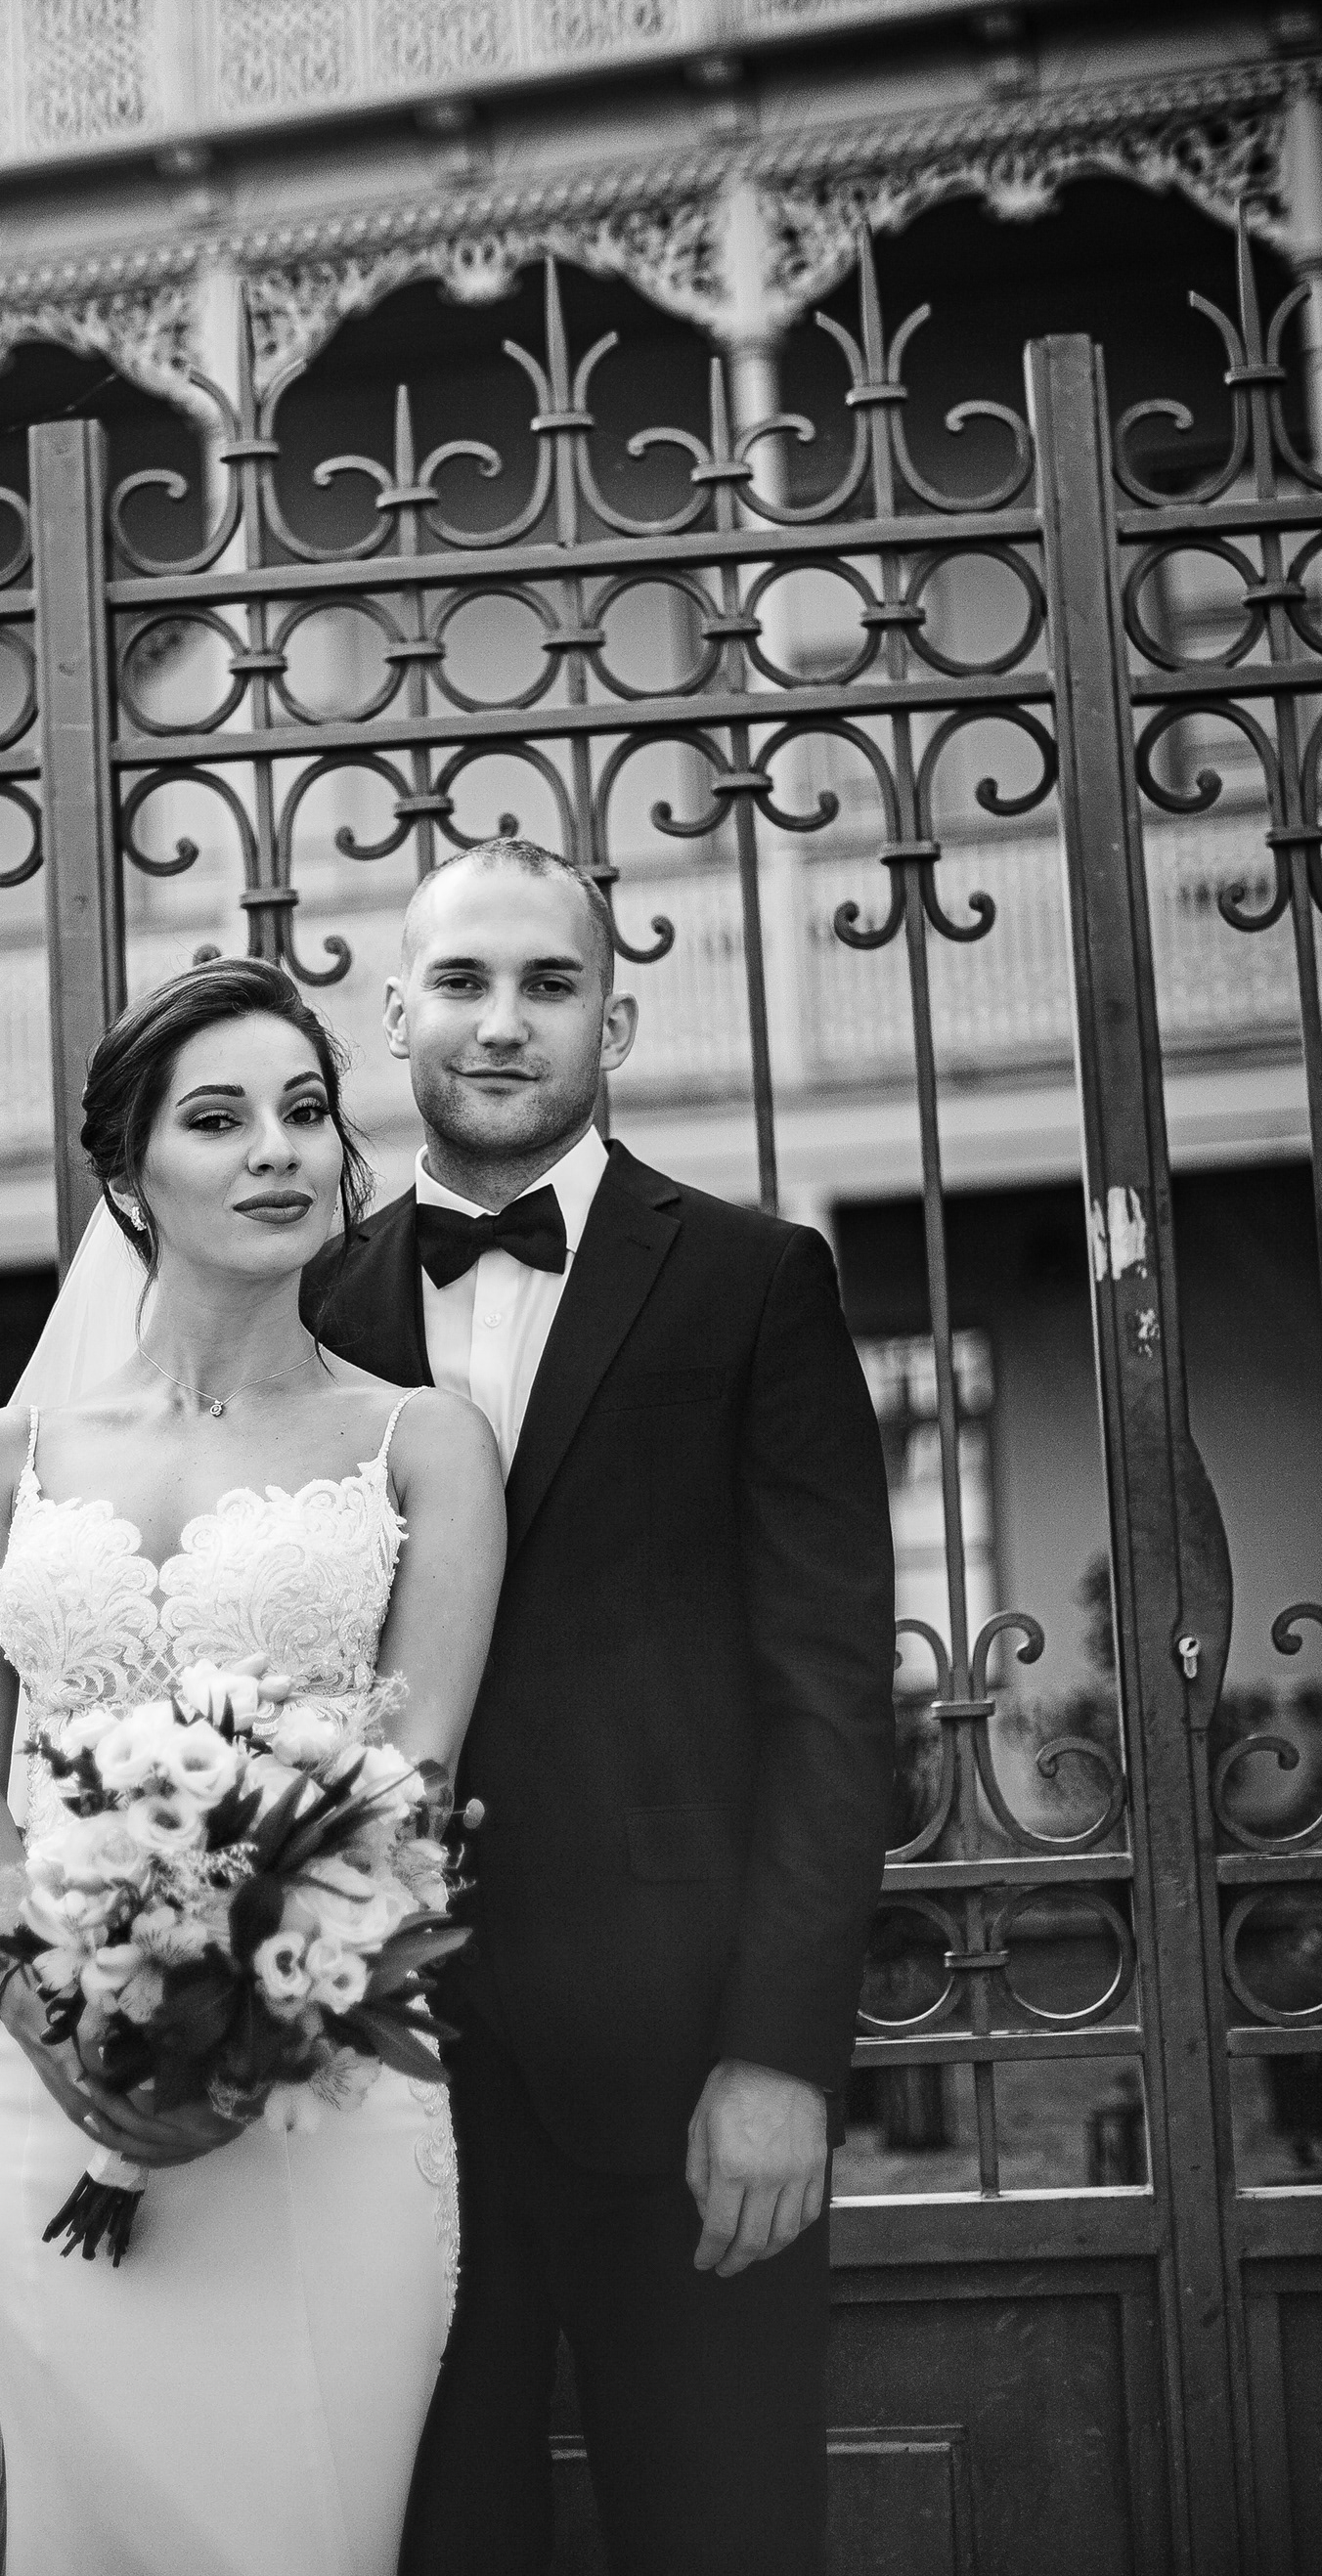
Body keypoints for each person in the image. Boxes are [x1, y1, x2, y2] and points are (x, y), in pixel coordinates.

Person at [0, 958, 504, 2576]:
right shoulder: (5, 1458)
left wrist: (248, 2024)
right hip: (36, 2079)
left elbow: (409, 1774)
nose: (277, 1150)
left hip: (317, 2093)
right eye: (219, 1118)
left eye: (304, 1111)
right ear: (128, 1170)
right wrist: (57, 2021)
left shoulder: (426, 1443)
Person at [302, 838, 898, 2576]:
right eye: (463, 983)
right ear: (394, 1013)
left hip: (683, 2075)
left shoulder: (755, 1279)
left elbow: (830, 1697)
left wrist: (781, 2057)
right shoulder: (310, 1302)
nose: (503, 1023)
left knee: (724, 2536)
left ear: (614, 1023)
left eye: (549, 985)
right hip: (368, 2086)